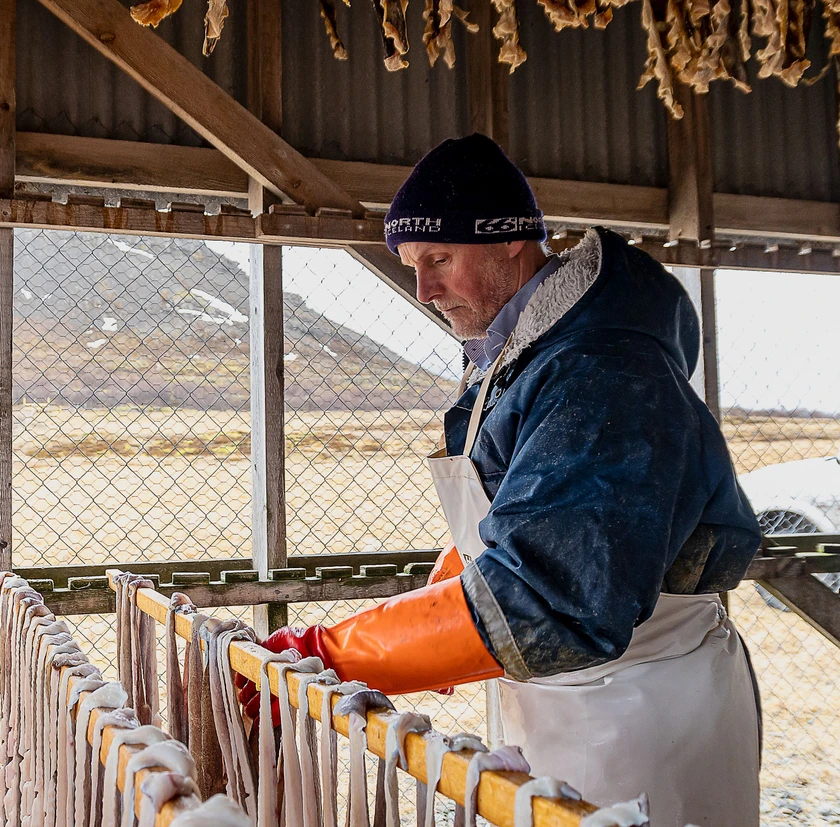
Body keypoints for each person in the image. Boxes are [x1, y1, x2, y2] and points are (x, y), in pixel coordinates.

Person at [251, 134, 763, 826]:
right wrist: (434, 628)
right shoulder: (521, 356)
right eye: (412, 265)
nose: (424, 289)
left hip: (638, 714)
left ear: (510, 243)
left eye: (439, 259)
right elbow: (504, 534)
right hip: (559, 701)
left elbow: (538, 594)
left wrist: (332, 652)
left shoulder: (602, 372)